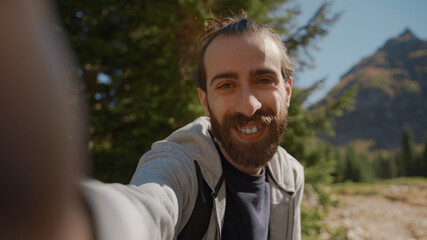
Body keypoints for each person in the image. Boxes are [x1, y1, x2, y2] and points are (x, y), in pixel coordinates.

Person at [125, 16, 305, 239]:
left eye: (263, 80)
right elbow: (145, 206)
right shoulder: (179, 166)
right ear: (205, 101)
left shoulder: (290, 175)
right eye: (226, 85)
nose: (249, 107)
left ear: (287, 91)